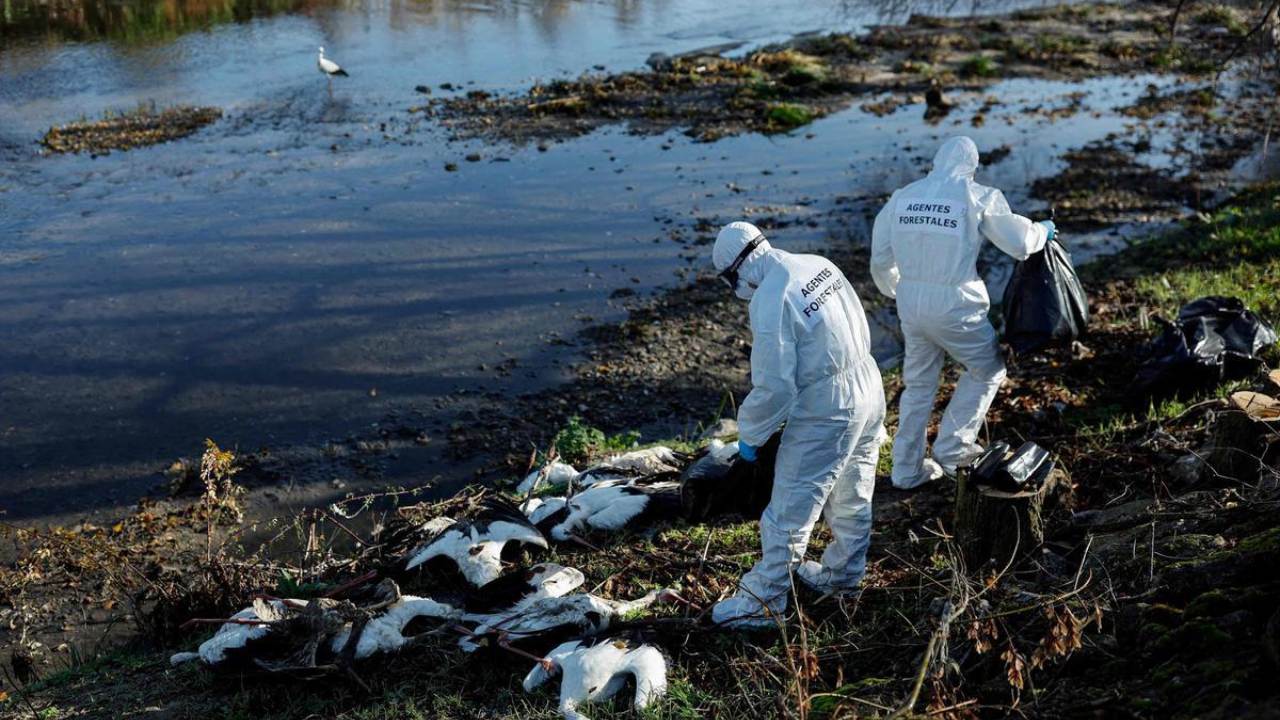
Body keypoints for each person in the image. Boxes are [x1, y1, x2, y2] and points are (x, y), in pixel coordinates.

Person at [709, 221, 886, 628]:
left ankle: (763, 604)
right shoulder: (816, 263)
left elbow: (774, 386)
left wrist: (750, 437)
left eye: (730, 280)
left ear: (739, 269)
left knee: (789, 509)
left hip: (829, 406)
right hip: (868, 384)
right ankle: (844, 578)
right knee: (853, 492)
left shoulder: (771, 296)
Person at [870, 136, 1055, 490]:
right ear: (972, 167)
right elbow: (1018, 242)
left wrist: (899, 289)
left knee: (919, 383)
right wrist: (1041, 232)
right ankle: (953, 449)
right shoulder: (977, 196)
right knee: (987, 369)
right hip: (956, 303)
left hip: (911, 299)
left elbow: (880, 259)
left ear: (936, 162)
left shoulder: (903, 197)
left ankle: (906, 470)